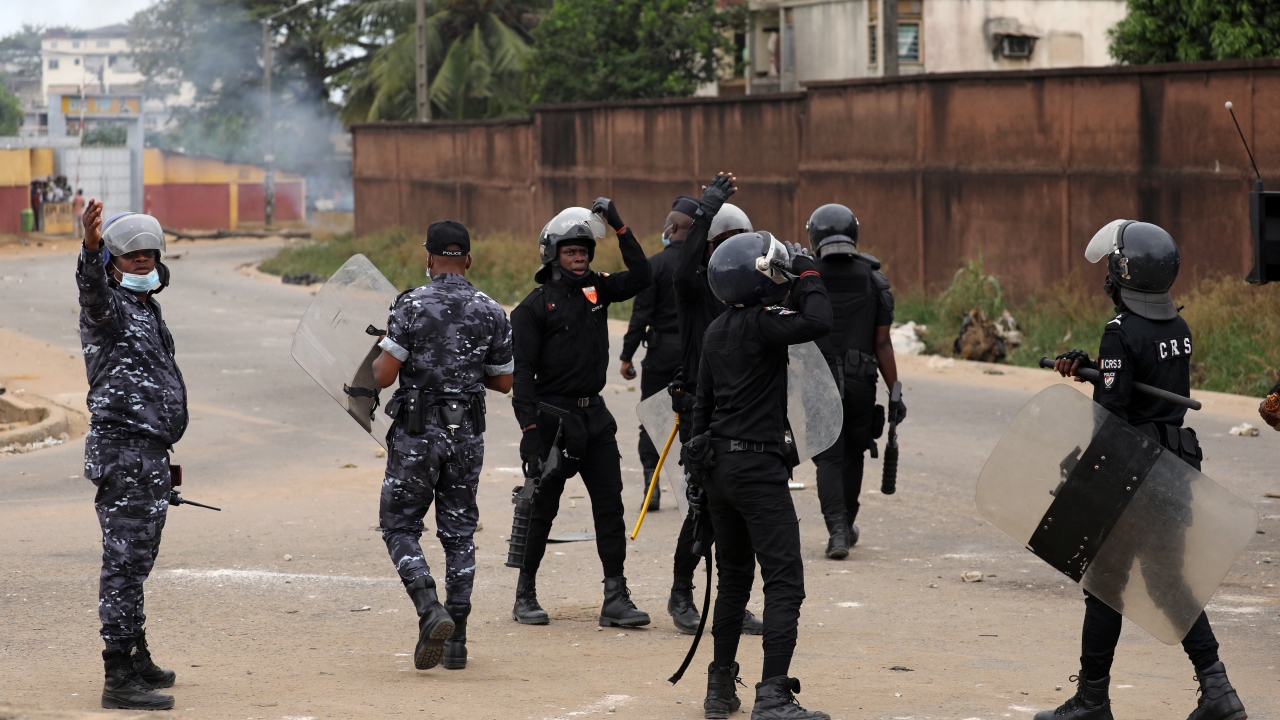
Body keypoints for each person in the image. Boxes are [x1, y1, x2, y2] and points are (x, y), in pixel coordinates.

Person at [1047, 220, 1247, 720]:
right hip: (1174, 469)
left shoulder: (1119, 331)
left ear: (1123, 272)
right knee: (1167, 583)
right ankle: (1218, 689)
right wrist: (1093, 365)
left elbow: (1113, 415)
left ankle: (1092, 700)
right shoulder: (1177, 328)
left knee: (1104, 585)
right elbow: (1143, 381)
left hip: (1132, 473)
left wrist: (1085, 481)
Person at [691, 230, 832, 720]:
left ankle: (719, 688)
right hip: (756, 469)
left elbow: (700, 411)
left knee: (733, 581)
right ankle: (772, 696)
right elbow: (819, 320)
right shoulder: (762, 324)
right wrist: (810, 271)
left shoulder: (717, 330)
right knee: (784, 582)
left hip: (719, 471)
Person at [370, 220, 514, 671]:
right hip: (466, 434)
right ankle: (459, 642)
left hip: (417, 433)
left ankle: (429, 607)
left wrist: (382, 353)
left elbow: (384, 376)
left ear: (429, 258)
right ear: (468, 259)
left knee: (399, 525)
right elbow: (505, 381)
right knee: (459, 533)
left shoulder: (411, 303)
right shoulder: (492, 310)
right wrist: (467, 371)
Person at [509, 199, 653, 627]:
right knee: (541, 508)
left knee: (610, 507)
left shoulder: (598, 288)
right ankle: (525, 594)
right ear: (553, 254)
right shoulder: (532, 308)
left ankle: (615, 596)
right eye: (571, 252)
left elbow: (643, 277)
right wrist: (529, 429)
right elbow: (523, 375)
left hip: (595, 418)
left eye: (585, 251)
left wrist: (620, 226)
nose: (580, 258)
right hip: (552, 422)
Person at [77, 201, 186, 711]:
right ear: (113, 263)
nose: (143, 261)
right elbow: (93, 291)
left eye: (149, 253)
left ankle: (137, 653)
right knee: (123, 561)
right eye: (131, 255)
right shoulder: (110, 307)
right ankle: (117, 674)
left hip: (149, 455)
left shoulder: (147, 310)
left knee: (139, 558)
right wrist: (91, 249)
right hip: (123, 452)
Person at [672, 174, 766, 639]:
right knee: (702, 508)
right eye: (722, 243)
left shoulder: (753, 293)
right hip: (703, 414)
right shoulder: (693, 291)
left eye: (739, 243)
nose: (732, 253)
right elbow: (683, 263)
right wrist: (707, 208)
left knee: (743, 512)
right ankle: (681, 593)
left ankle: (733, 601)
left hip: (749, 415)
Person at [807, 204, 904, 559]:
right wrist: (895, 393)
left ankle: (836, 531)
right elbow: (882, 342)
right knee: (854, 453)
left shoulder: (806, 277)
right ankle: (847, 522)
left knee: (828, 458)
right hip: (862, 383)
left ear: (814, 235)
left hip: (818, 385)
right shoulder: (873, 278)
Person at [621, 194, 697, 512]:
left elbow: (641, 316)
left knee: (653, 420)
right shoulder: (702, 265)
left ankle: (651, 487)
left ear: (675, 226)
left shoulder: (654, 265)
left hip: (660, 354)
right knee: (695, 419)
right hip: (695, 354)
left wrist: (627, 356)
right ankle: (695, 486)